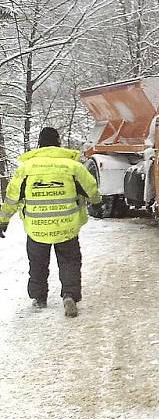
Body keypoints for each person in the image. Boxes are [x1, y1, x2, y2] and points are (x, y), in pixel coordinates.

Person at [0, 127, 101, 318]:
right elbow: (91, 189)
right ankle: (69, 295)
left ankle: (39, 298)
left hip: (37, 228)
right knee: (70, 261)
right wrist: (97, 202)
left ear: (39, 144)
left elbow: (12, 198)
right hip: (66, 226)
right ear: (58, 143)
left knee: (37, 262)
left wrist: (3, 220)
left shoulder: (25, 169)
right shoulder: (72, 167)